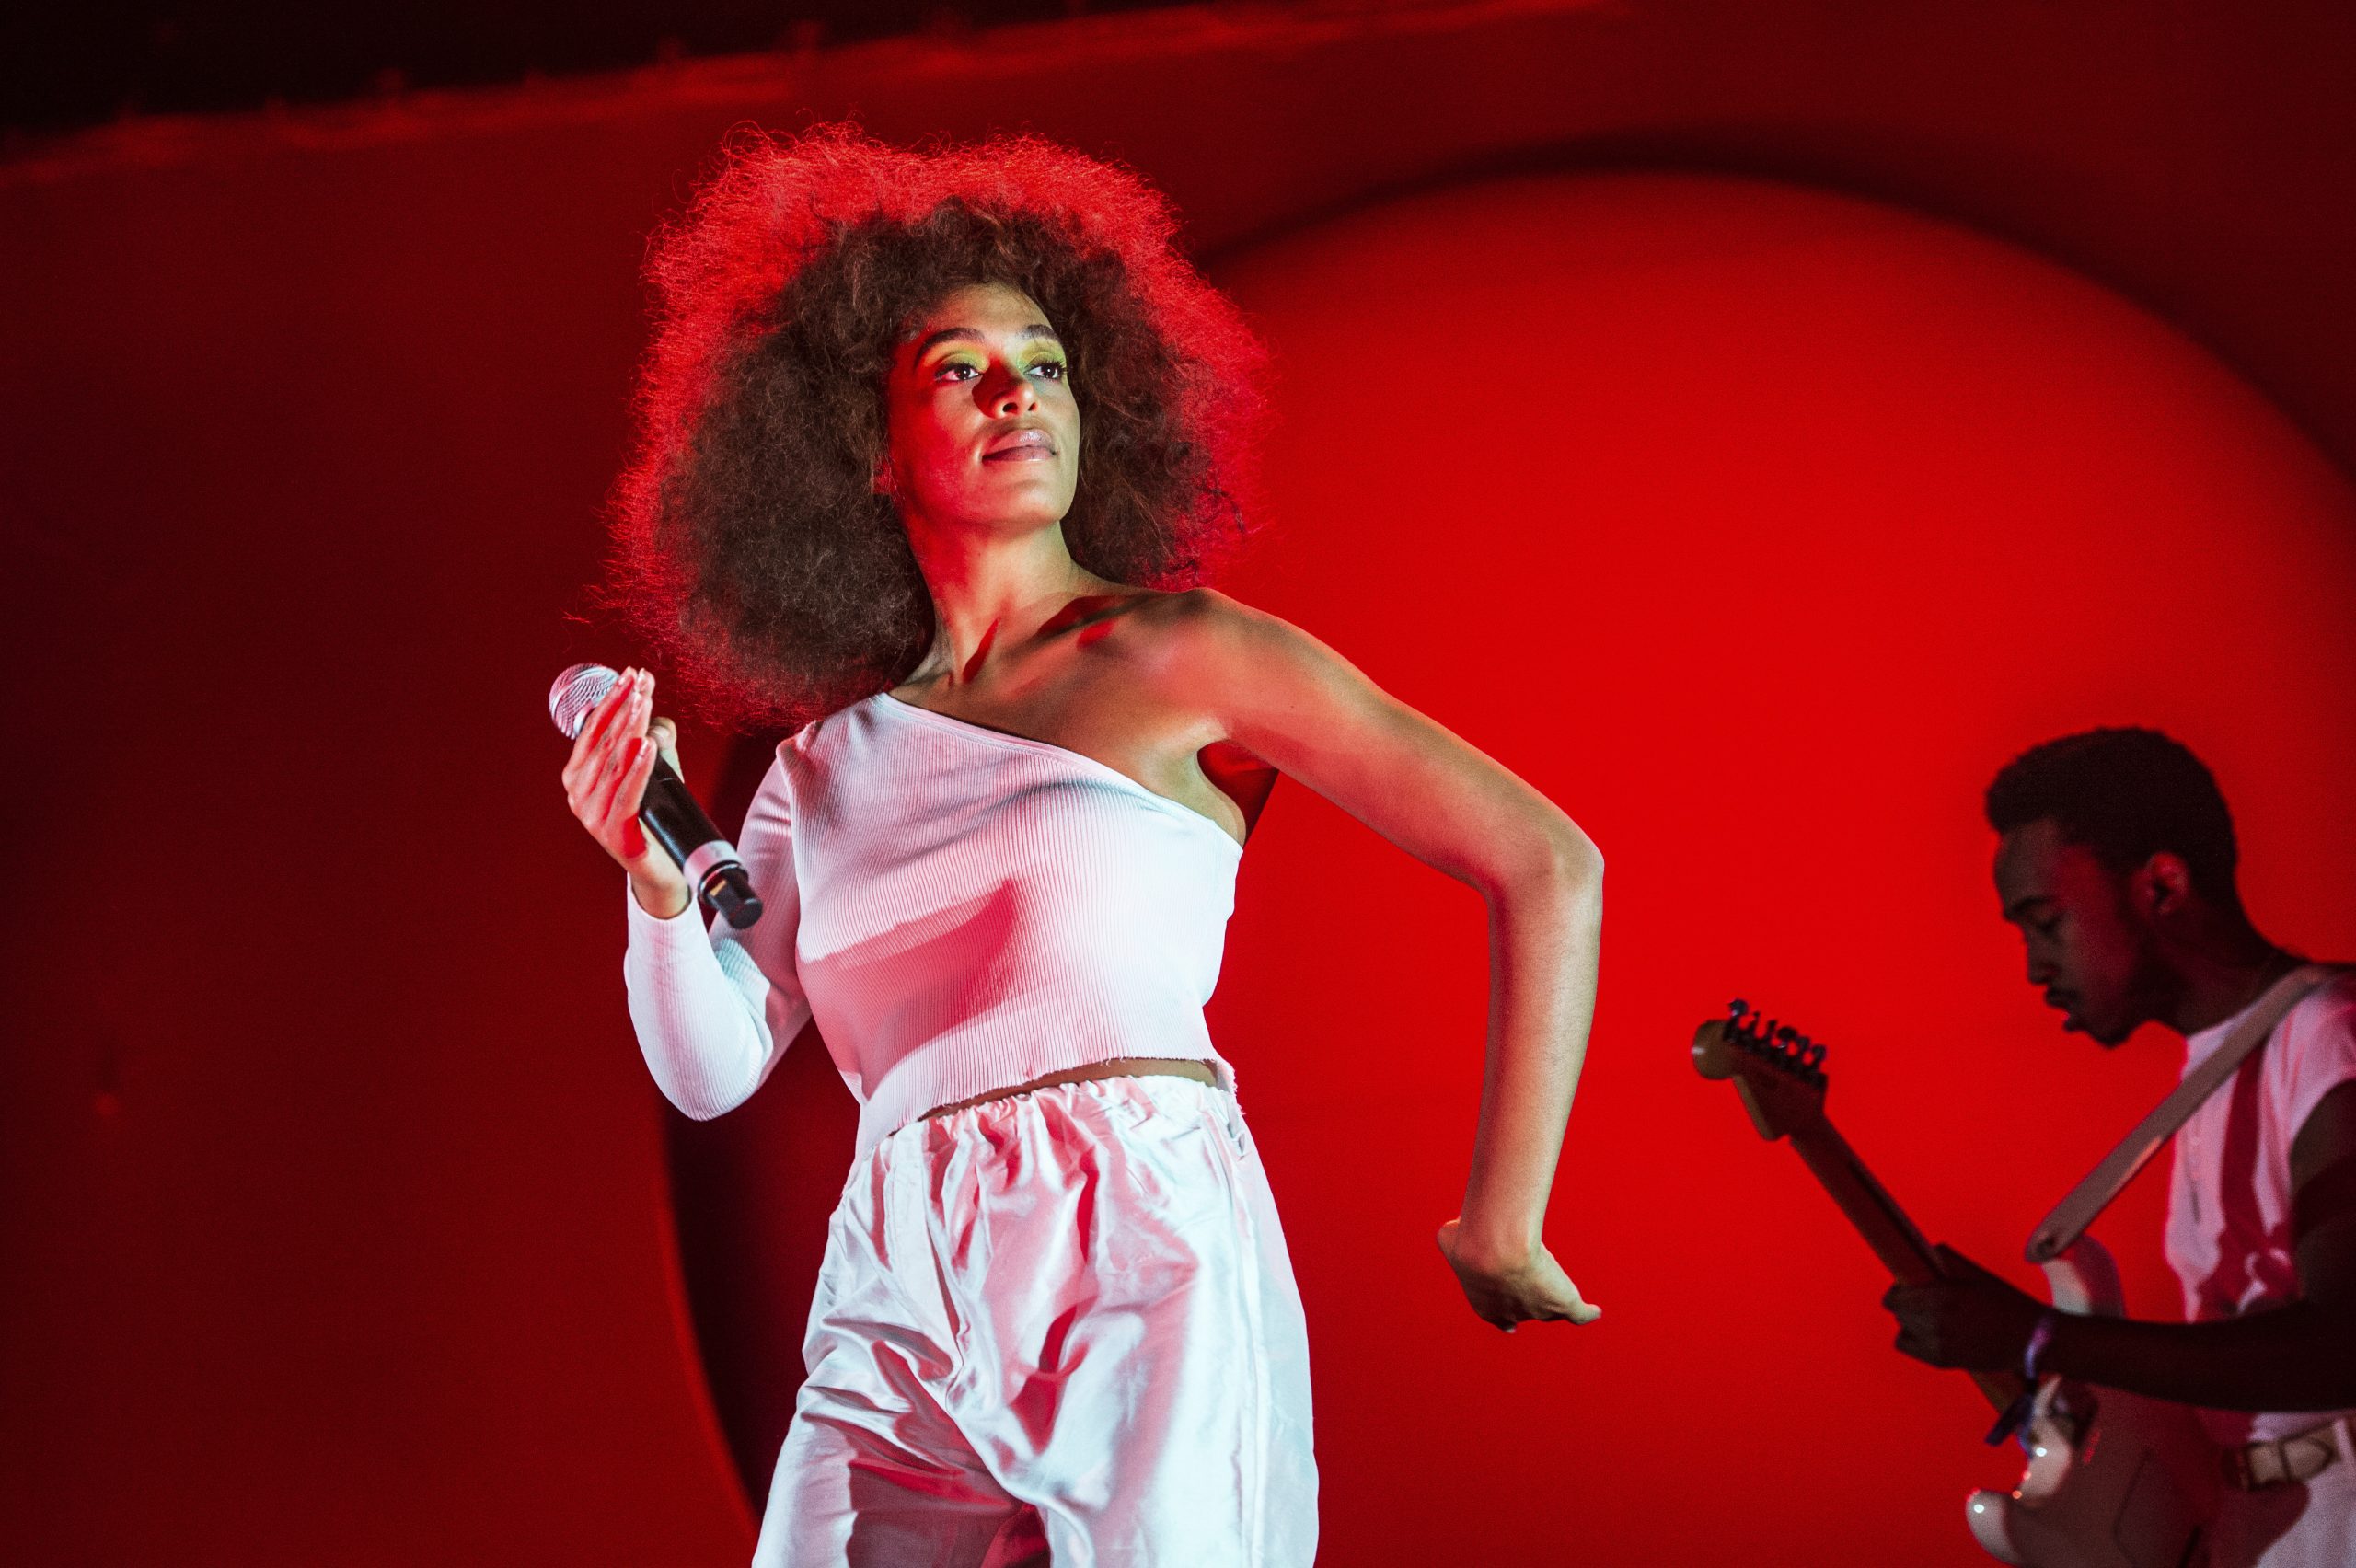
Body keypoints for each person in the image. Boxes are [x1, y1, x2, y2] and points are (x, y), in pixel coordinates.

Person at [560, 127, 1606, 1567]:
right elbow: (712, 1069)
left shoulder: (1185, 653)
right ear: (864, 445)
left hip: (1135, 1242)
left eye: (1045, 365)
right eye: (959, 370)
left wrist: (1504, 1220)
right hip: (894, 1269)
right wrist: (654, 885)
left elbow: (1546, 861)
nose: (1018, 395)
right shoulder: (824, 767)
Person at [1883, 727, 2356, 1567]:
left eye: (2047, 922)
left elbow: (2343, 1343)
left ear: (2162, 886)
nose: (2034, 968)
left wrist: (2042, 1337)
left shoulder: (2330, 1036)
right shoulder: (2213, 1068)